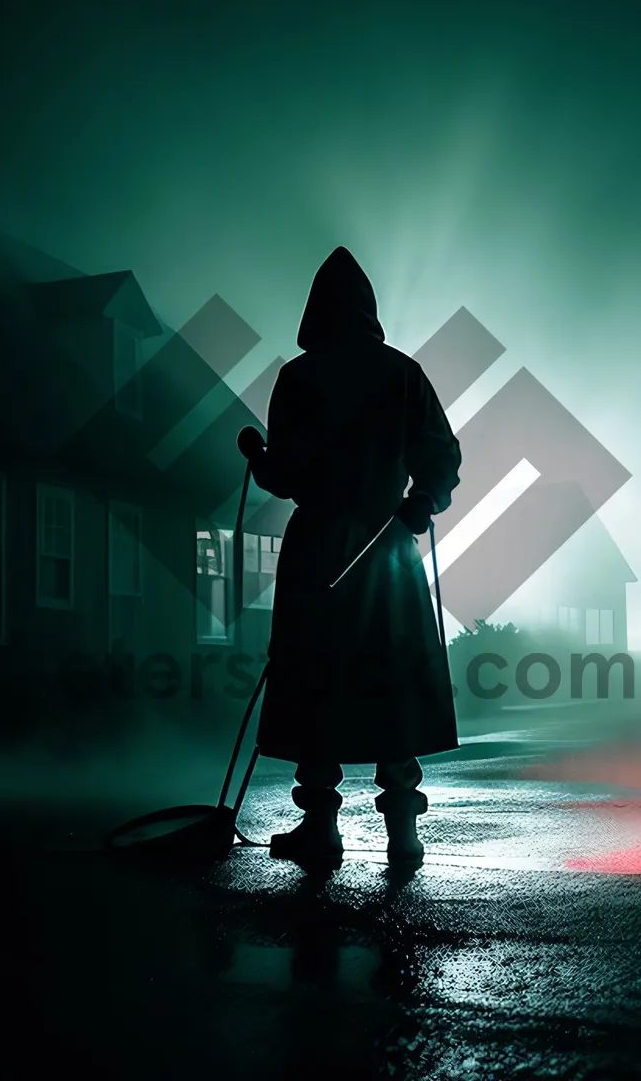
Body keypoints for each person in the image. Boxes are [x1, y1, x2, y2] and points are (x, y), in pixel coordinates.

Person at [237, 246, 461, 868]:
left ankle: (320, 828)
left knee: (316, 681)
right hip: (389, 551)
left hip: (318, 553)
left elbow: (283, 474)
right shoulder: (403, 373)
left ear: (317, 309)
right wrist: (421, 504)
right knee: (389, 681)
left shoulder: (300, 378)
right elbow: (441, 457)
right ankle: (403, 833)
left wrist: (258, 455)